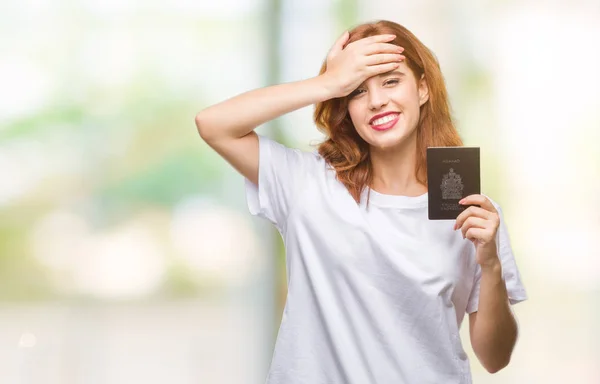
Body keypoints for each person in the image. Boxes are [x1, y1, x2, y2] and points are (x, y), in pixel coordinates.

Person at [195, 19, 527, 384]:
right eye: (357, 91)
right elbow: (213, 124)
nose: (377, 101)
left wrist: (491, 264)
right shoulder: (306, 185)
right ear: (345, 106)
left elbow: (495, 358)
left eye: (390, 81)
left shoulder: (470, 211)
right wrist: (328, 83)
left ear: (422, 89)